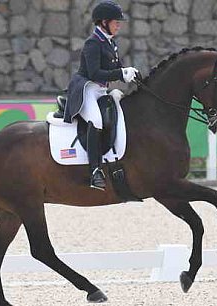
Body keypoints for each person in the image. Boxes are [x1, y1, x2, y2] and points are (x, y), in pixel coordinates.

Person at [62, 0, 139, 191]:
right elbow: (95, 73)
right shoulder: (93, 43)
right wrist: (120, 74)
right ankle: (95, 171)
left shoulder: (110, 42)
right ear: (104, 22)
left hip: (101, 90)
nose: (119, 24)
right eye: (116, 21)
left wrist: (130, 74)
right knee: (96, 121)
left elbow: (115, 68)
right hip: (86, 88)